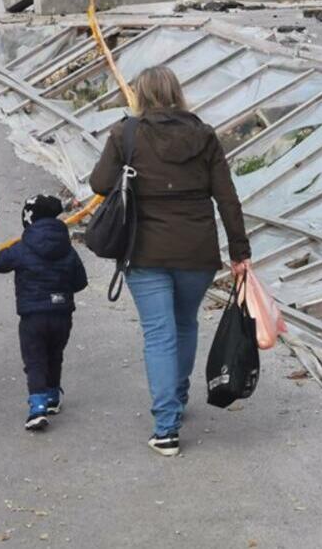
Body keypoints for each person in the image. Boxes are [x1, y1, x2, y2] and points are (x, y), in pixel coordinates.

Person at [89, 65, 252, 457]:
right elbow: (227, 198)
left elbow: (99, 183)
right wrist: (240, 253)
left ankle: (166, 427)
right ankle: (176, 398)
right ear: (177, 93)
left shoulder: (126, 134)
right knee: (184, 323)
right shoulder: (204, 135)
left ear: (140, 95)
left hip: (144, 251)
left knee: (159, 334)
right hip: (197, 251)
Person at [0, 195, 89, 431]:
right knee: (54, 355)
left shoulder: (23, 248)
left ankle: (37, 408)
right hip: (62, 314)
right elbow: (80, 281)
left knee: (35, 360)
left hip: (33, 316)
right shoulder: (67, 249)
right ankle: (52, 397)